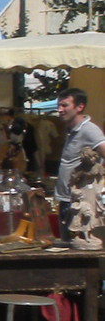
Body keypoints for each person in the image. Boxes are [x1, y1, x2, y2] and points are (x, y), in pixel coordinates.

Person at [55, 88, 105, 227]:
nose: (60, 109)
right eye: (58, 105)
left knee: (79, 243)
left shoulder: (89, 130)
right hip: (66, 199)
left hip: (79, 203)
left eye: (65, 105)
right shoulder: (71, 129)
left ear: (79, 107)